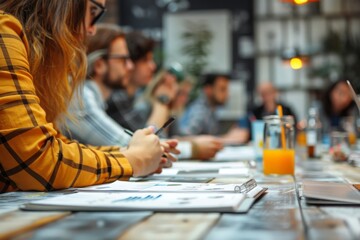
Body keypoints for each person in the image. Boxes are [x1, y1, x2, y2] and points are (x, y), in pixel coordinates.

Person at [0, 0, 173, 193]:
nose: (92, 30)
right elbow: (38, 159)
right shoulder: (2, 32)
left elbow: (56, 146)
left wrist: (137, 153)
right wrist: (135, 159)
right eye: (92, 12)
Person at [63, 23, 178, 164]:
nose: (130, 66)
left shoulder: (94, 97)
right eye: (123, 60)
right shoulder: (80, 97)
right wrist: (192, 148)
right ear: (99, 65)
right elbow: (136, 148)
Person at [106, 32, 223, 160]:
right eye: (146, 60)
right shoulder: (120, 100)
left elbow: (172, 137)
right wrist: (162, 101)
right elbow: (150, 145)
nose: (153, 66)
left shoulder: (131, 99)